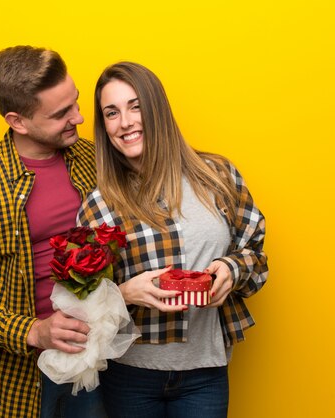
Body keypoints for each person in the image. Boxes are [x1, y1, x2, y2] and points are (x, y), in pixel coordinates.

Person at [77, 62, 268, 418]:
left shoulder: (217, 176)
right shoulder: (100, 204)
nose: (126, 122)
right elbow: (81, 300)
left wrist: (232, 268)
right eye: (112, 112)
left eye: (136, 106)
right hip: (129, 375)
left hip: (205, 372)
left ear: (157, 110)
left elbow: (255, 253)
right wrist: (124, 293)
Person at [0, 46, 105, 418]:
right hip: (21, 383)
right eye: (61, 113)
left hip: (99, 362)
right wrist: (34, 332)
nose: (78, 117)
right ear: (18, 121)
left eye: (75, 102)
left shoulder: (95, 160)